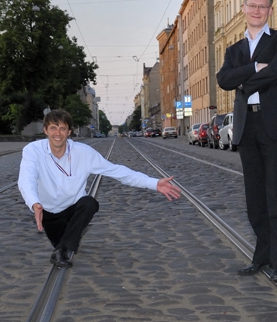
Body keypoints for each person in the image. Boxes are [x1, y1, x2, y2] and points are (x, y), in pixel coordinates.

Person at [18, 110, 181, 268]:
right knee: (61, 241)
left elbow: (117, 171)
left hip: (72, 209)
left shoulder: (83, 152)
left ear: (69, 132)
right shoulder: (33, 151)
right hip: (47, 211)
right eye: (53, 128)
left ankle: (64, 247)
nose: (58, 133)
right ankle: (69, 238)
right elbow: (27, 179)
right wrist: (34, 203)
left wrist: (153, 183)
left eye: (62, 128)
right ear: (46, 130)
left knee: (89, 203)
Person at [216, 0, 277, 282]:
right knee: (255, 200)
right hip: (246, 126)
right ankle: (262, 256)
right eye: (252, 5)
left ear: (270, 10)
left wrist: (244, 81)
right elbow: (223, 80)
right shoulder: (234, 50)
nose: (256, 11)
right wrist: (254, 67)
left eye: (262, 7)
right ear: (243, 8)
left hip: (275, 125)